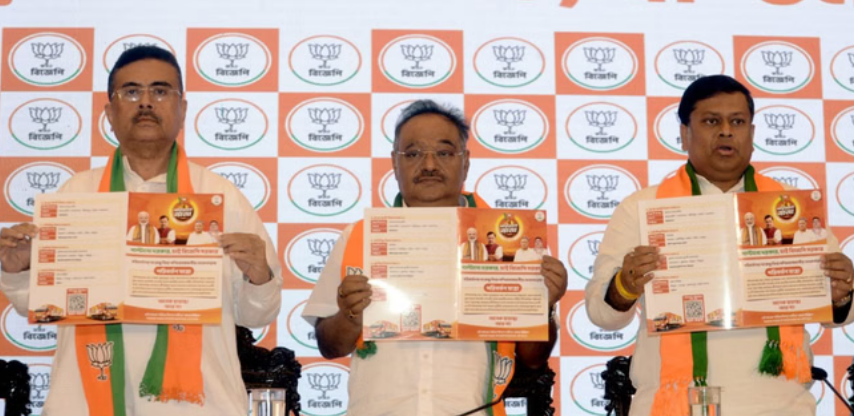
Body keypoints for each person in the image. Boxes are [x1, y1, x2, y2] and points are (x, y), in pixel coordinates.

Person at [0, 46, 282, 416]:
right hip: (83, 402)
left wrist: (259, 275)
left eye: (160, 91)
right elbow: (37, 304)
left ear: (182, 109)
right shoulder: (75, 194)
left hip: (199, 406)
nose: (146, 102)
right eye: (131, 91)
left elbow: (257, 315)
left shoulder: (222, 197)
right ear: (109, 113)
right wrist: (17, 270)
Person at [584, 75, 854, 416]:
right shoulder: (642, 207)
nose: (726, 132)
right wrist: (625, 285)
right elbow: (602, 315)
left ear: (752, 133)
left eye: (737, 122)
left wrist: (841, 292)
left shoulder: (790, 206)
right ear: (684, 133)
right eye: (712, 121)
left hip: (781, 405)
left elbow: (840, 315)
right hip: (675, 406)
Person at [303, 99, 567, 416]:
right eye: (413, 153)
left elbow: (533, 359)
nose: (429, 165)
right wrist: (350, 315)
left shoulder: (509, 241)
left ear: (465, 162)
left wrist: (544, 305)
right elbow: (330, 346)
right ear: (394, 163)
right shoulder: (358, 237)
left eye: (444, 153)